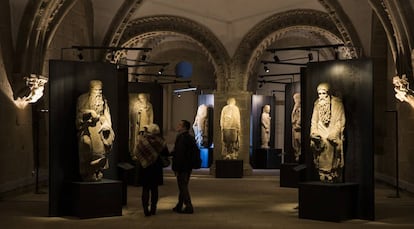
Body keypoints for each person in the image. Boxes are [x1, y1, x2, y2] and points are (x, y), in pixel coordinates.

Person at [76, 80, 115, 182]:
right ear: (91, 90)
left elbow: (107, 114)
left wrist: (106, 124)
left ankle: (97, 170)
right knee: (87, 144)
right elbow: (79, 115)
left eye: (100, 91)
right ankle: (88, 171)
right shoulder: (82, 99)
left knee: (100, 150)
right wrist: (90, 112)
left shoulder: (103, 99)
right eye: (96, 91)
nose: (98, 93)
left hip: (99, 128)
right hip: (87, 128)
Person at [310, 83, 345, 183]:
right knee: (319, 143)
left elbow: (340, 121)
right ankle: (322, 171)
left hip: (331, 130)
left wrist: (333, 134)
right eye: (319, 94)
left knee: (329, 144)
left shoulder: (337, 103)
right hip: (320, 131)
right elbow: (314, 121)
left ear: (328, 93)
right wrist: (314, 132)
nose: (321, 96)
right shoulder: (317, 104)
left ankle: (330, 172)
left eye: (323, 93)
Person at [132, 123, 168, 217]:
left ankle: (145, 210)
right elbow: (166, 153)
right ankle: (153, 209)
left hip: (145, 167)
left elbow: (136, 152)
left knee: (145, 189)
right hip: (156, 167)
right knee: (154, 189)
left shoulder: (142, 140)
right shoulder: (160, 141)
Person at [171, 120, 197, 214]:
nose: (178, 126)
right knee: (183, 186)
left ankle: (188, 206)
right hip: (187, 166)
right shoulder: (188, 138)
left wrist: (176, 168)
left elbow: (180, 155)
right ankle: (179, 205)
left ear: (184, 127)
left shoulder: (182, 138)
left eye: (180, 125)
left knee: (183, 186)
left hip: (182, 167)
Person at [130, 93, 154, 157]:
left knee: (146, 138)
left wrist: (151, 125)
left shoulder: (149, 105)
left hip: (146, 124)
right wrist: (138, 111)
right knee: (137, 139)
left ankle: (145, 153)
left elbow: (151, 115)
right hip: (138, 124)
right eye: (140, 98)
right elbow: (133, 114)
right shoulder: (136, 104)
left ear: (145, 98)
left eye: (142, 98)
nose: (141, 100)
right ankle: (136, 153)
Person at [291, 93, 301, 161]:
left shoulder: (300, 107)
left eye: (296, 98)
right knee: (295, 141)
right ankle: (297, 153)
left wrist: (298, 123)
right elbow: (293, 115)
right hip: (294, 127)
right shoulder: (295, 106)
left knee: (298, 140)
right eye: (294, 99)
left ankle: (299, 153)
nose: (295, 100)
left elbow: (300, 116)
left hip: (298, 127)